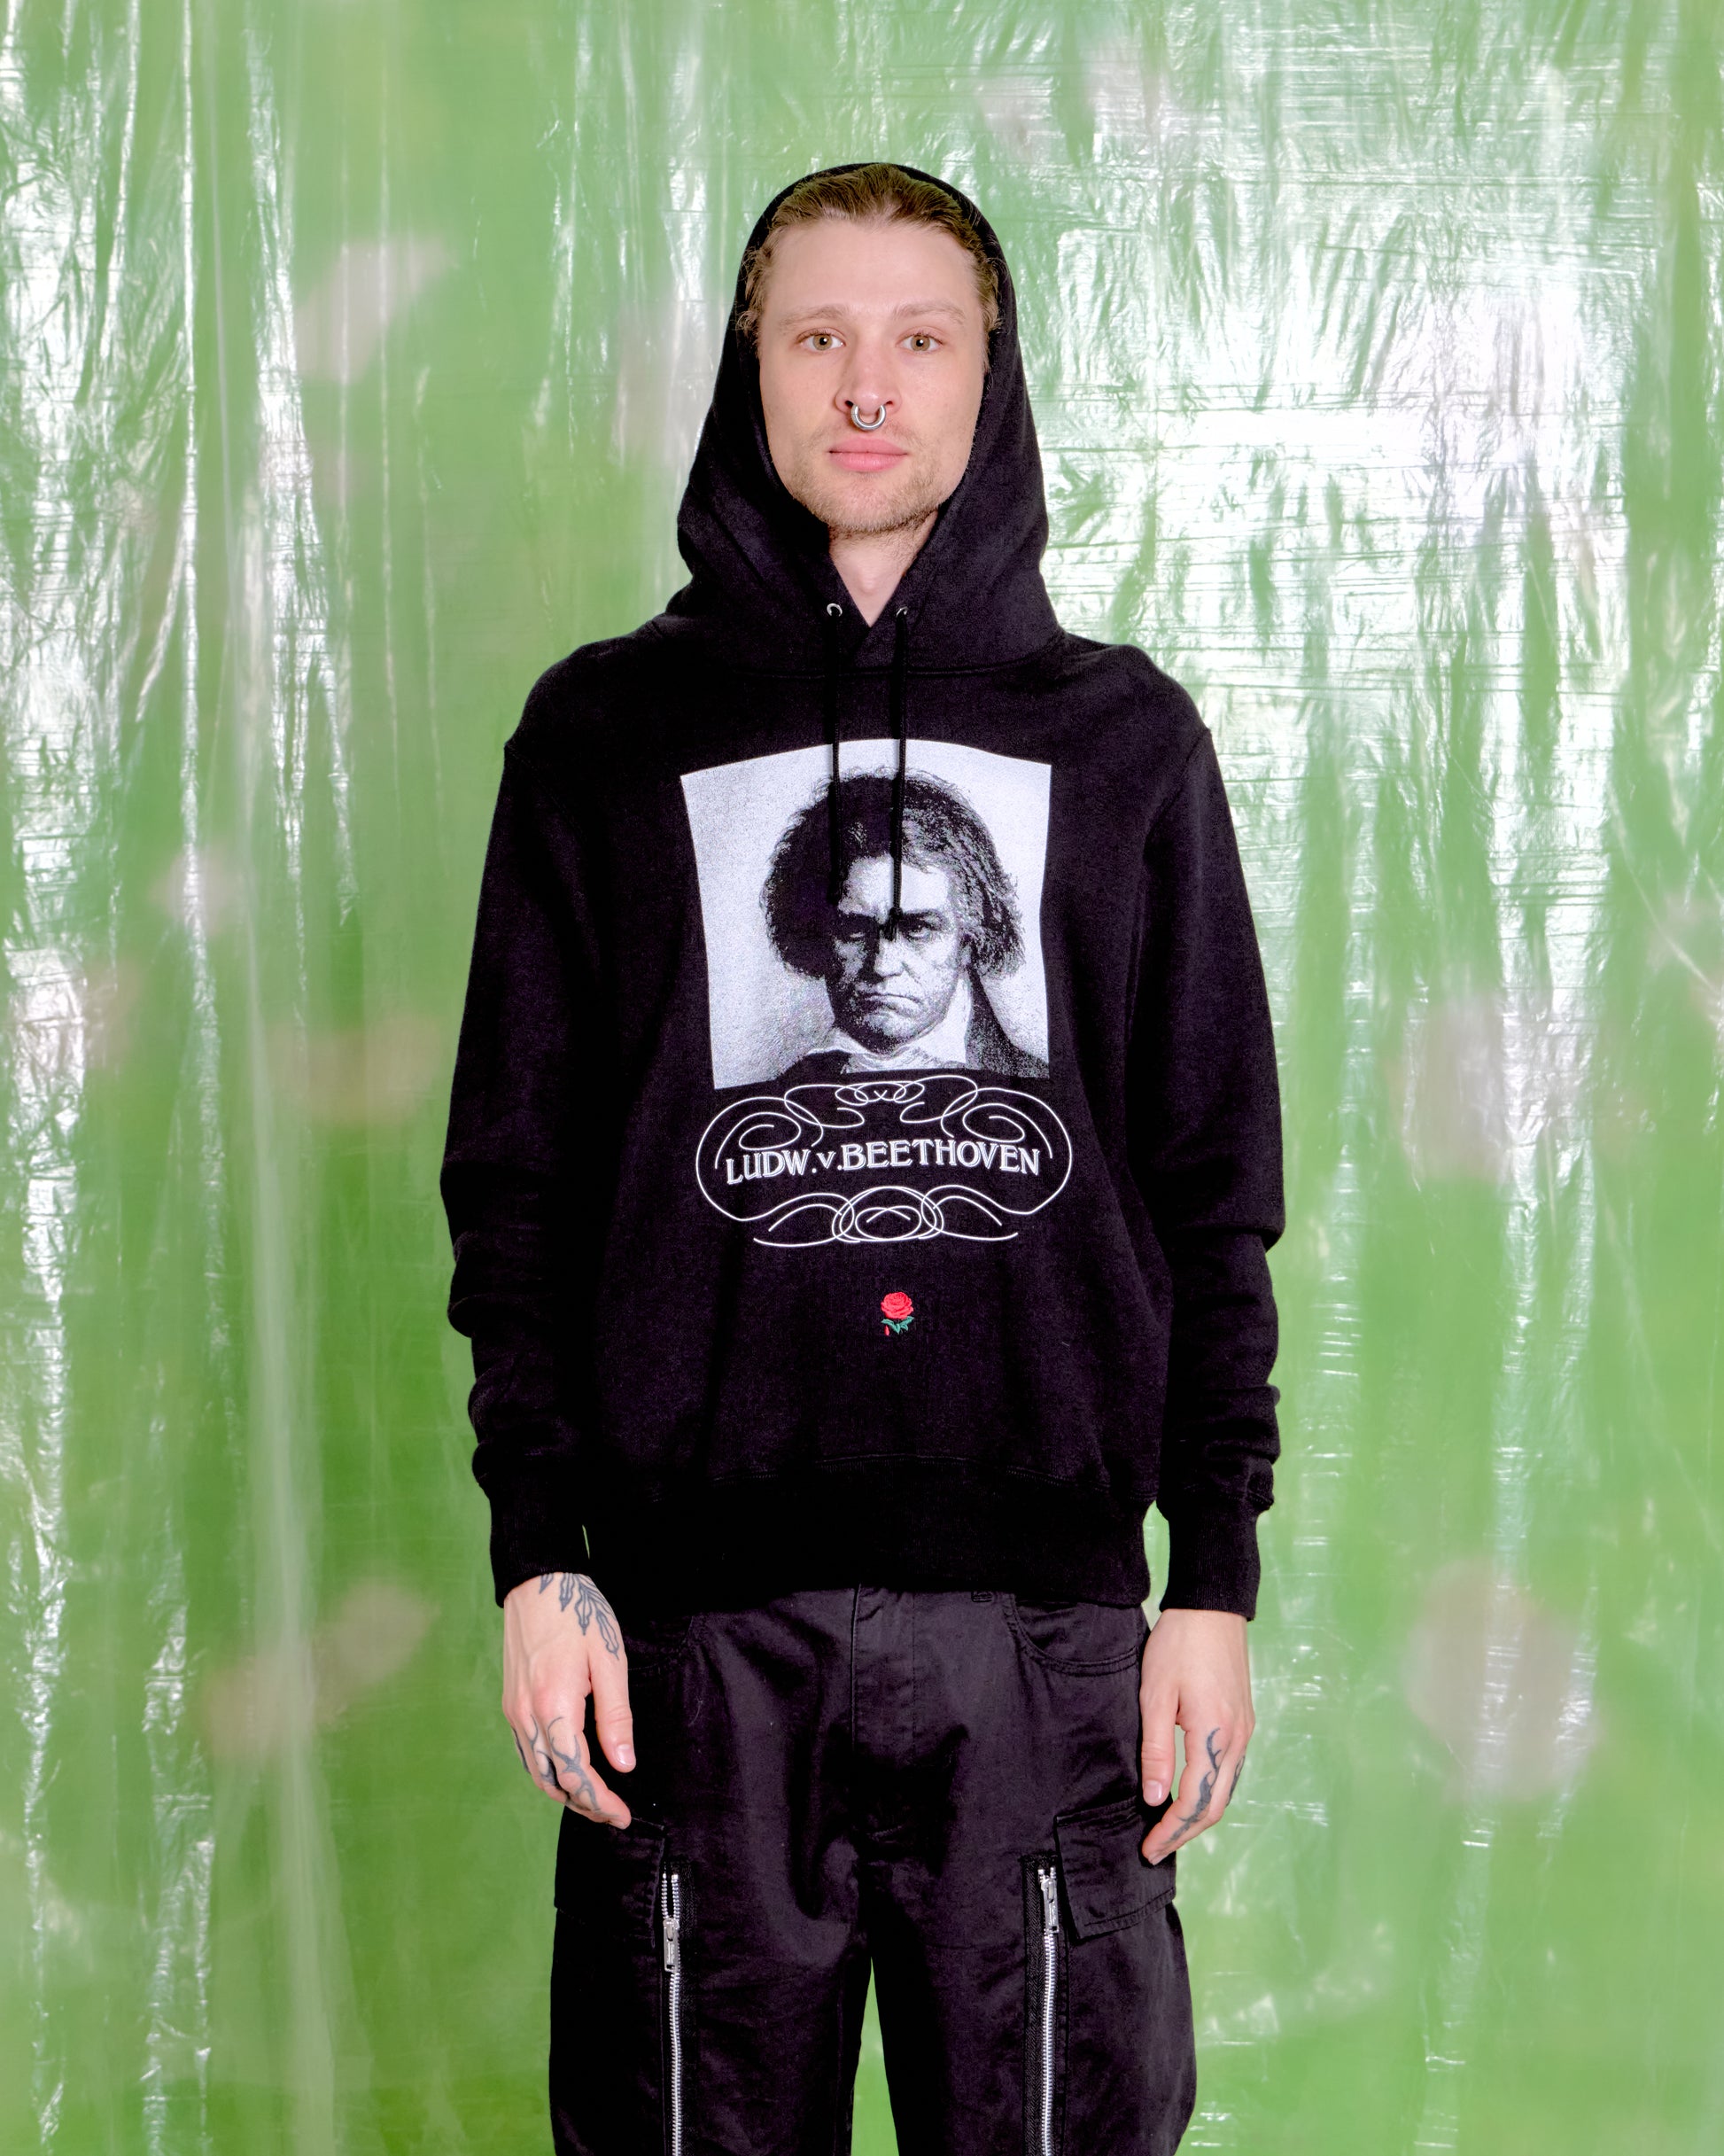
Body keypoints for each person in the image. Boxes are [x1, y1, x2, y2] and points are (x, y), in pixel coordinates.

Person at [441, 160, 1284, 2156]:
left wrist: (1214, 1575)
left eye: (921, 336)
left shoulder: (1123, 744)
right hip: (691, 1639)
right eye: (818, 333)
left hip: (1047, 1636)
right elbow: (517, 1182)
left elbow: (1209, 1182)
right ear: (754, 363)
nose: (868, 385)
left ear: (992, 369)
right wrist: (540, 1554)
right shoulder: (600, 738)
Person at [764, 767, 1051, 1079]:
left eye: (917, 929)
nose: (882, 966)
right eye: (855, 930)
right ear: (814, 935)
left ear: (969, 940)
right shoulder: (778, 1093)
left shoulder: (1031, 1081)